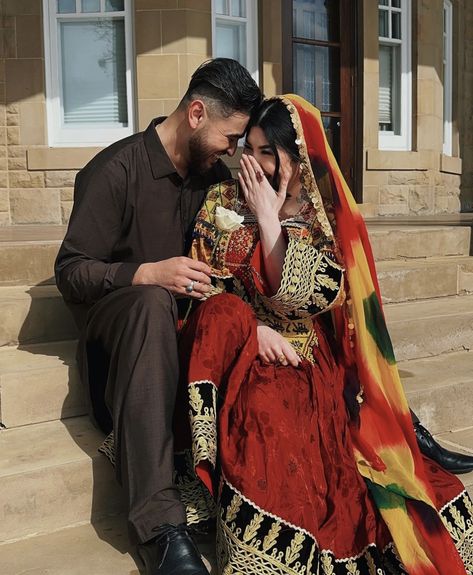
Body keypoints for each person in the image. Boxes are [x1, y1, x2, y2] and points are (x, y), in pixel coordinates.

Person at [174, 95, 473, 574]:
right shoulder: (221, 201)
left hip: (303, 356)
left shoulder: (327, 221)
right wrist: (250, 330)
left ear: (299, 156)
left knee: (279, 417)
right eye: (248, 148)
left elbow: (307, 299)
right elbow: (201, 280)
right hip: (232, 346)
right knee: (255, 404)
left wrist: (270, 219)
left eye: (267, 152)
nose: (253, 163)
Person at [54, 58, 262, 575]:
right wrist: (145, 273)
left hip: (184, 351)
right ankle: (159, 529)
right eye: (231, 137)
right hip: (119, 349)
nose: (233, 152)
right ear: (196, 113)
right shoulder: (114, 170)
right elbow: (71, 272)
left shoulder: (213, 178)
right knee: (151, 303)